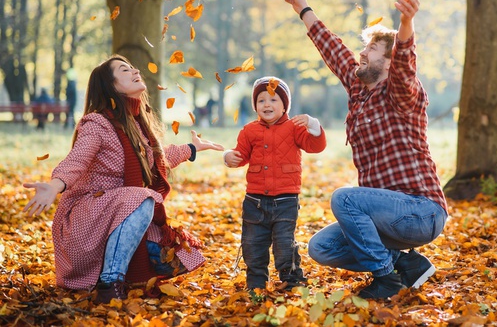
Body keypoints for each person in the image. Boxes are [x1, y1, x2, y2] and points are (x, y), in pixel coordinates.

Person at [281, 0, 449, 299]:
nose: (362, 52)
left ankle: (386, 279)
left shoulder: (401, 94)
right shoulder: (360, 91)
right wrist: (303, 7)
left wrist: (406, 26)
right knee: (322, 247)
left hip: (420, 211)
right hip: (385, 217)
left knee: (345, 199)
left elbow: (404, 67)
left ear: (388, 62)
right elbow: (333, 50)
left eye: (371, 49)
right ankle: (404, 264)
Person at [22, 55, 224, 304]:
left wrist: (192, 149)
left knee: (178, 256)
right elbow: (78, 159)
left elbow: (155, 161)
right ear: (111, 86)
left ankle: (110, 274)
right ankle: (110, 281)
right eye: (124, 70)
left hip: (118, 212)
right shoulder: (97, 123)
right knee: (143, 197)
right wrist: (54, 185)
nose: (135, 70)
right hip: (87, 217)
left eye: (132, 66)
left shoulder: (136, 125)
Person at [223, 76, 326, 293]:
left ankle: (292, 280)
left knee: (284, 244)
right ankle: (256, 284)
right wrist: (229, 156)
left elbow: (315, 146)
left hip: (286, 200)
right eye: (261, 100)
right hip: (255, 200)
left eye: (273, 100)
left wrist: (313, 125)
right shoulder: (250, 130)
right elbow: (240, 154)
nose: (267, 105)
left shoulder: (294, 127)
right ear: (255, 105)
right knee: (253, 244)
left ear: (284, 105)